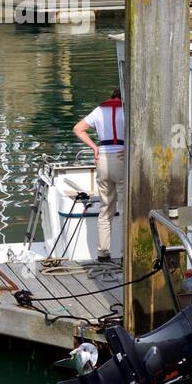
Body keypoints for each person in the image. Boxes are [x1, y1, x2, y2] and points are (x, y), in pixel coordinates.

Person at [73, 90, 125, 263]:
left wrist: (94, 148)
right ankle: (126, 253)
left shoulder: (98, 110)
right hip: (120, 158)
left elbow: (78, 129)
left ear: (111, 97)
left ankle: (103, 253)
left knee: (105, 208)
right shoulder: (127, 110)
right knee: (125, 209)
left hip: (102, 159)